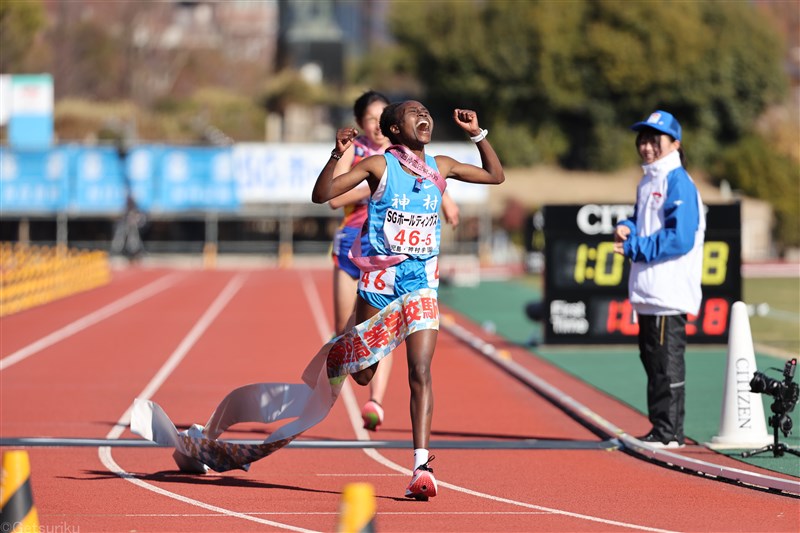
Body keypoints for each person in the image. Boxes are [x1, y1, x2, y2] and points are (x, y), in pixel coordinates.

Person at [312, 100, 504, 499]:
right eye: (413, 114)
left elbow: (495, 176)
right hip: (380, 280)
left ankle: (421, 466)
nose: (424, 117)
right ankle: (346, 347)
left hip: (421, 283)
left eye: (426, 113)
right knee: (363, 373)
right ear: (395, 130)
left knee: (420, 370)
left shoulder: (442, 165)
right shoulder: (380, 166)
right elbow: (323, 195)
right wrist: (338, 155)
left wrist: (477, 133)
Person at [328, 91, 460, 432]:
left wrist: (447, 203)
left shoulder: (414, 155)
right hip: (355, 248)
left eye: (378, 118)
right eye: (369, 120)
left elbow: (433, 182)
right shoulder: (363, 155)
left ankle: (376, 400)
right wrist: (374, 187)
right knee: (346, 327)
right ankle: (351, 358)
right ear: (362, 124)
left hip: (401, 262)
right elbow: (332, 199)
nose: (374, 125)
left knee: (387, 336)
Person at [613, 110, 705, 449]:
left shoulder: (677, 180)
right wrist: (629, 226)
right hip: (649, 291)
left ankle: (670, 434)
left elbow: (679, 238)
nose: (647, 146)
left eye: (655, 139)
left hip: (669, 291)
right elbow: (643, 220)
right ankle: (660, 429)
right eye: (643, 139)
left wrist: (635, 245)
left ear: (674, 143)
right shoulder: (649, 180)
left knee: (666, 365)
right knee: (653, 362)